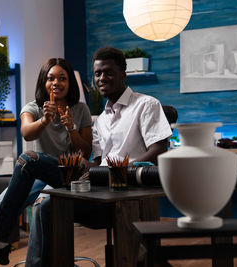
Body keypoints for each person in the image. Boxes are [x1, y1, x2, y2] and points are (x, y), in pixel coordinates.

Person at [25, 46, 172, 266]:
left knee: (36, 173)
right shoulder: (101, 119)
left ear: (123, 74)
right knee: (46, 200)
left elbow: (160, 149)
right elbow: (96, 161)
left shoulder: (146, 105)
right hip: (99, 194)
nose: (102, 78)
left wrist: (118, 171)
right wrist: (78, 163)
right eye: (97, 74)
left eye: (108, 72)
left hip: (129, 195)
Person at [0, 57, 92, 266]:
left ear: (70, 82)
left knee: (41, 204)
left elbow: (86, 151)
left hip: (65, 173)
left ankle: (10, 251)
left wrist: (71, 128)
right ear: (43, 83)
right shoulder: (33, 107)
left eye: (62, 78)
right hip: (37, 172)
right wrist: (44, 120)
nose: (56, 83)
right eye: (50, 78)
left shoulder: (80, 109)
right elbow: (26, 133)